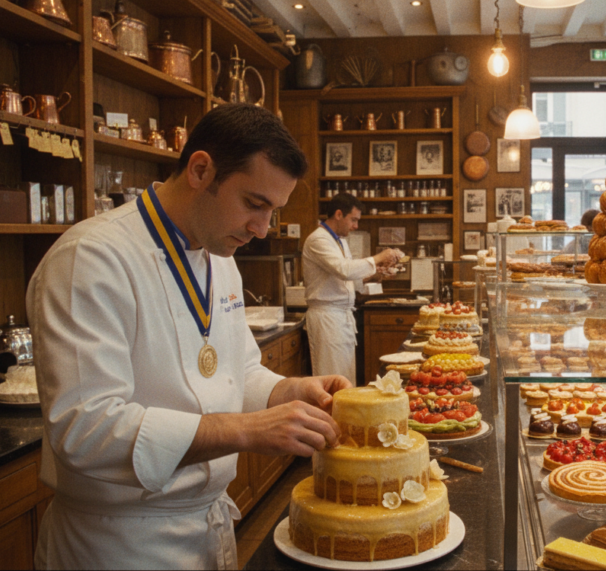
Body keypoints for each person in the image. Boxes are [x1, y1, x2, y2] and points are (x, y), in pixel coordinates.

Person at [26, 104, 352, 569]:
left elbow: (234, 372)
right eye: (254, 204)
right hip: (119, 542)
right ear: (201, 170)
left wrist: (289, 390)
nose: (262, 229)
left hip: (205, 525)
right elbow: (85, 428)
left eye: (273, 212)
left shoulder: (221, 257)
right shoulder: (92, 258)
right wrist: (244, 430)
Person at [303, 193, 400, 381]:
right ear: (339, 214)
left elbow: (350, 279)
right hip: (327, 318)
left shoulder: (340, 241)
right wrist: (379, 257)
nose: (356, 226)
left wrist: (378, 272)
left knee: (346, 378)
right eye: (353, 220)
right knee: (331, 380)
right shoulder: (318, 240)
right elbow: (344, 270)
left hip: (343, 318)